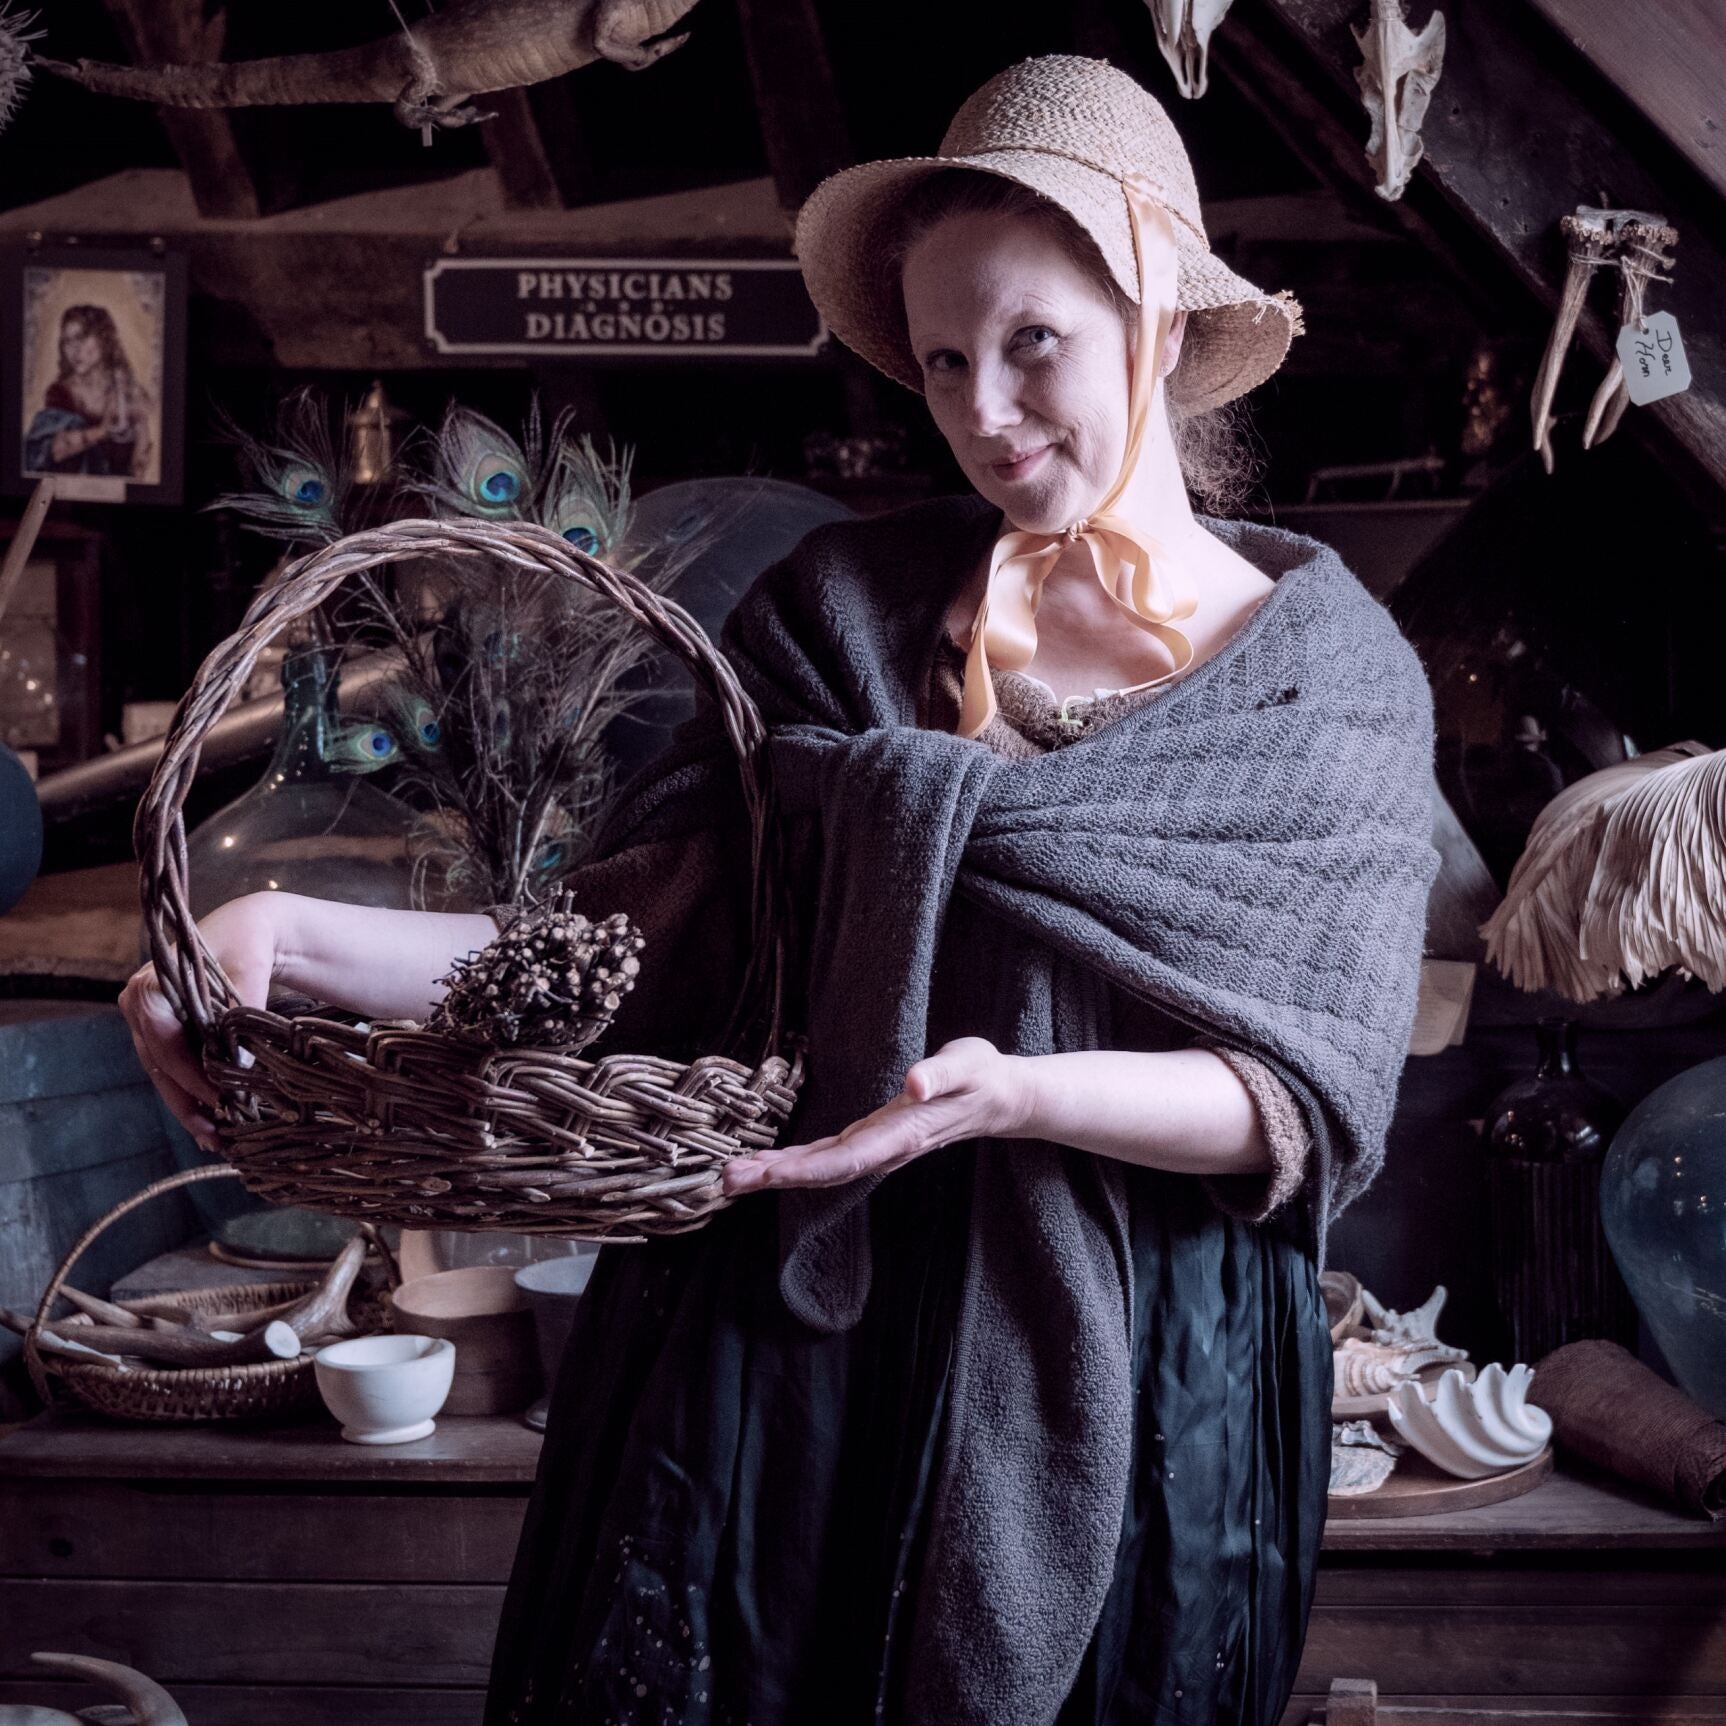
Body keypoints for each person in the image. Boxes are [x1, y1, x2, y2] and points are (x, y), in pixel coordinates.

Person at [122, 55, 1440, 1726]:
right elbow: (630, 948)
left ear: (1161, 326)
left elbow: (1294, 1106)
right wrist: (279, 931)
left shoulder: (1323, 691)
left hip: (1150, 1366)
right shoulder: (833, 625)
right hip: (800, 1343)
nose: (983, 409)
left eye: (1032, 341)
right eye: (945, 359)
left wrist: (1009, 1095)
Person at [24, 302, 154, 479]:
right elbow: (53, 452)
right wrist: (103, 431)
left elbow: (140, 467)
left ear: (103, 338)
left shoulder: (128, 391)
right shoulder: (61, 393)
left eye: (81, 337)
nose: (74, 350)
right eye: (67, 342)